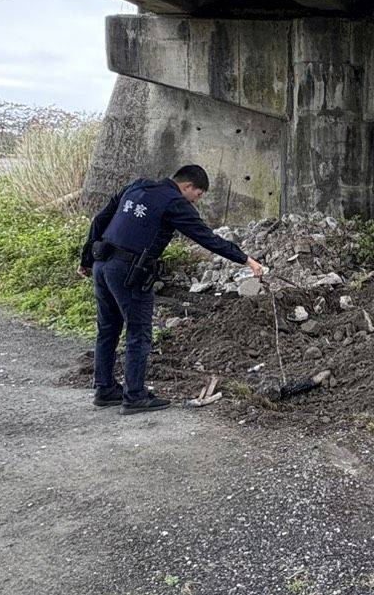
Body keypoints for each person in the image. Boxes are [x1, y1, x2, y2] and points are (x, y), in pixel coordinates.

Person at [79, 164, 265, 414]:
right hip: (128, 271)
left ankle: (104, 389)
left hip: (102, 263)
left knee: (108, 327)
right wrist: (246, 259)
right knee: (139, 331)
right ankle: (134, 396)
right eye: (198, 194)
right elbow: (206, 237)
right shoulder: (174, 202)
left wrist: (86, 259)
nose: (197, 200)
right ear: (188, 186)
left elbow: (101, 218)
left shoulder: (137, 186)